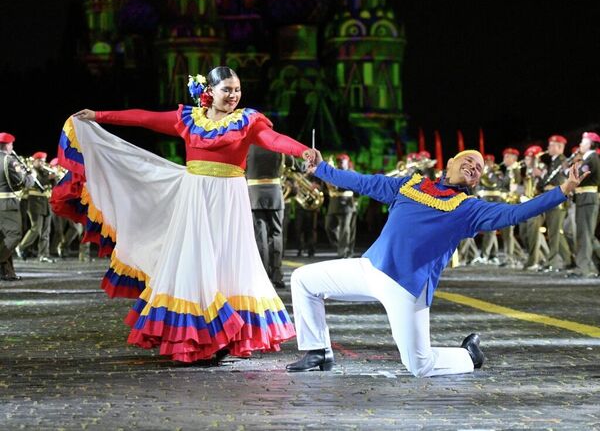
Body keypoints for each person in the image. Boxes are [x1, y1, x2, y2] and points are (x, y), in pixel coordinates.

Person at [59, 66, 314, 363]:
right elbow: (144, 118)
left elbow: (274, 140)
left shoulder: (247, 121)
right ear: (210, 91)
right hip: (195, 198)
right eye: (227, 90)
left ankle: (226, 334)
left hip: (229, 200)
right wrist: (100, 116)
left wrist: (302, 151)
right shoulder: (188, 120)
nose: (233, 95)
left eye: (237, 90)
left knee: (228, 262)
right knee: (196, 263)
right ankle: (202, 337)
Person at [286, 148, 588, 377]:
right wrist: (321, 168)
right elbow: (362, 182)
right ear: (450, 164)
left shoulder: (469, 209)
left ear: (476, 180)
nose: (472, 166)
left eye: (478, 168)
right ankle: (318, 352)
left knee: (419, 365)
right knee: (303, 280)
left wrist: (563, 190)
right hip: (369, 269)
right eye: (467, 160)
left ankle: (469, 356)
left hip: (405, 288)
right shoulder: (408, 185)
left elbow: (515, 213)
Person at [246, 145, 286, 289]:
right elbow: (292, 164)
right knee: (276, 233)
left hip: (254, 194)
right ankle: (277, 276)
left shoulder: (248, 147)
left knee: (260, 236)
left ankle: (262, 276)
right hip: (275, 193)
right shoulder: (277, 145)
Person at [0, 133, 35, 280]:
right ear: (8, 145)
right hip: (7, 204)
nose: (12, 147)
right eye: (11, 145)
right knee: (14, 235)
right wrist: (31, 177)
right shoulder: (9, 161)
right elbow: (20, 183)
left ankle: (7, 272)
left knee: (2, 238)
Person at [568, 131, 600, 277]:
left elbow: (578, 175)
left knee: (585, 235)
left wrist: (571, 168)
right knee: (587, 235)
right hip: (583, 198)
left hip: (587, 198)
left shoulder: (592, 159)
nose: (580, 144)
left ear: (591, 144)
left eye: (583, 141)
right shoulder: (588, 158)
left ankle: (584, 269)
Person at [539, 135, 572, 272]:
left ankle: (551, 262)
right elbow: (544, 183)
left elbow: (561, 180)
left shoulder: (562, 161)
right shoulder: (553, 162)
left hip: (558, 201)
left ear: (559, 147)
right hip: (551, 200)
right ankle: (569, 260)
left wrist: (551, 185)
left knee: (554, 233)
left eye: (551, 145)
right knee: (556, 232)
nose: (548, 148)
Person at [16, 151, 56, 263]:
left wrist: (54, 178)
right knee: (36, 229)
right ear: (34, 161)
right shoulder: (31, 170)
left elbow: (53, 186)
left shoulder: (46, 172)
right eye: (40, 161)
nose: (42, 163)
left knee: (46, 231)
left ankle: (43, 255)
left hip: (46, 203)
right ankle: (21, 246)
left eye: (43, 161)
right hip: (34, 203)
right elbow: (36, 182)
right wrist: (49, 177)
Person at [325, 153, 357, 258]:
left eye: (342, 161)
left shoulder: (351, 173)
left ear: (347, 162)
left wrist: (337, 185)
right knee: (329, 226)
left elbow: (355, 187)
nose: (340, 163)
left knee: (345, 229)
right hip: (334, 202)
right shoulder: (334, 172)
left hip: (347, 203)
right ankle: (341, 246)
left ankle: (343, 253)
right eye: (338, 161)